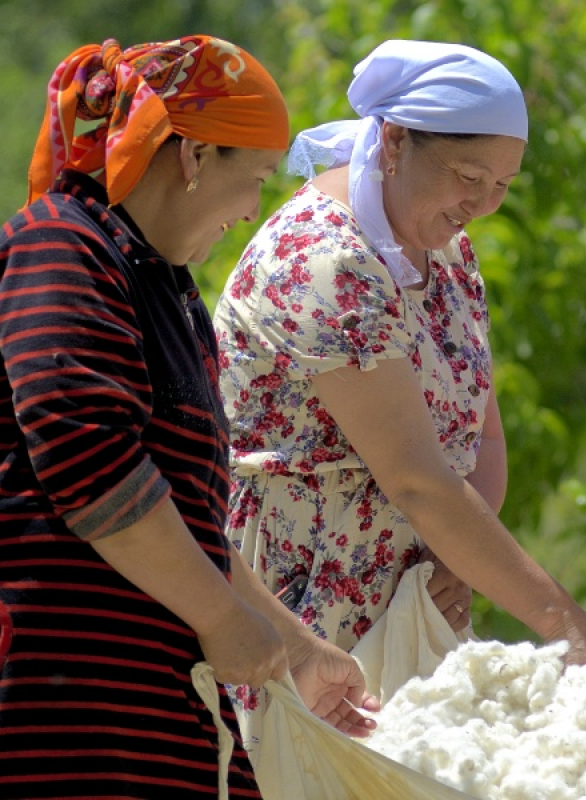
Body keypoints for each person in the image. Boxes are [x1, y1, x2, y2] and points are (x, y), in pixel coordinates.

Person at [213, 38, 586, 756]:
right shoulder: (323, 259)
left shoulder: (448, 256)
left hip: (417, 609)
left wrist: (451, 565)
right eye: (469, 175)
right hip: (307, 613)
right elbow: (417, 480)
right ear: (397, 140)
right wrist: (567, 626)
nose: (483, 205)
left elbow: (480, 439)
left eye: (503, 186)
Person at [0, 36, 375, 799]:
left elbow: (184, 517)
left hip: (142, 715)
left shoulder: (160, 286)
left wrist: (296, 647)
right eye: (256, 181)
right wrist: (220, 619)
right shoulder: (62, 244)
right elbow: (89, 462)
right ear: (193, 157)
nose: (252, 213)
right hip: (62, 714)